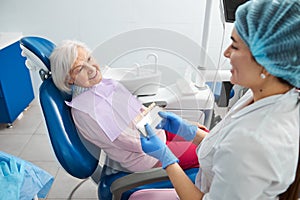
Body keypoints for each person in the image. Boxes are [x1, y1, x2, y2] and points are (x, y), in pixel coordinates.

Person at [140, 0, 300, 199]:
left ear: (266, 63)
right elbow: (227, 147)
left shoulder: (252, 144)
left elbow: (238, 149)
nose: (226, 53)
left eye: (234, 45)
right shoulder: (265, 95)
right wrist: (190, 132)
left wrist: (167, 160)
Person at [49, 40, 199, 173]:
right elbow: (129, 141)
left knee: (203, 133)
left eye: (89, 58)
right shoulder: (86, 111)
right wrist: (158, 137)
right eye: (80, 69)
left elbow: (137, 109)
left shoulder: (104, 84)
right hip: (147, 155)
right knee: (207, 152)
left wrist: (157, 121)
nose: (91, 68)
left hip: (153, 132)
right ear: (69, 79)